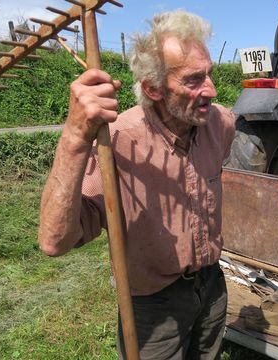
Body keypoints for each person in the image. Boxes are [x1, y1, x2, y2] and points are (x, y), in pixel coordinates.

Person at [37, 10, 235, 360]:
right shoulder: (116, 142)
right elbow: (54, 240)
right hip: (154, 303)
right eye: (193, 80)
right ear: (152, 88)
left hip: (213, 287)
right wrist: (74, 136)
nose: (212, 90)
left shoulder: (219, 123)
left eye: (210, 74)